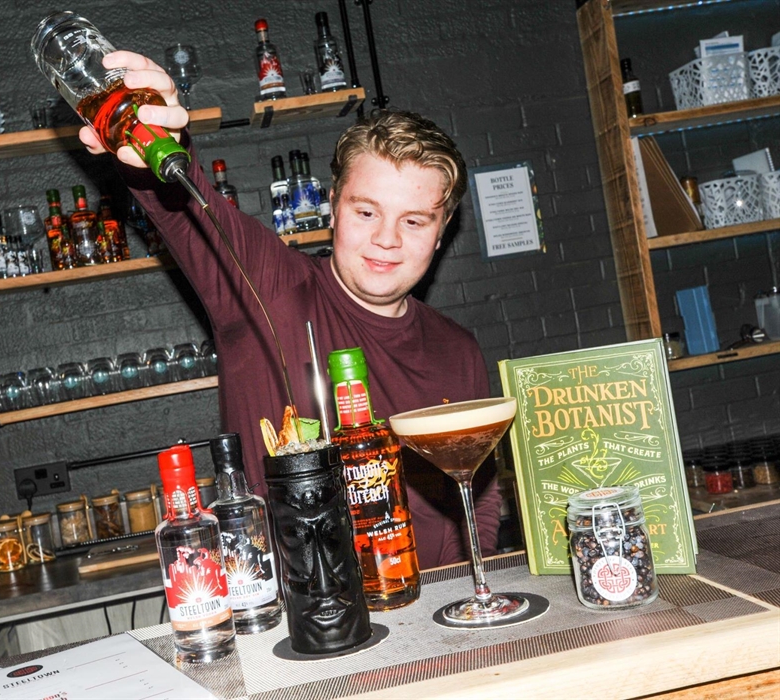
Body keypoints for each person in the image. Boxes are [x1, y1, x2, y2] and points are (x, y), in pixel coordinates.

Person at [80, 51, 501, 569]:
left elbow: (478, 497)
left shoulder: (457, 350)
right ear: (332, 206)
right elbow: (191, 209)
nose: (386, 239)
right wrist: (160, 142)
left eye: (414, 221)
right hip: (298, 623)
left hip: (435, 618)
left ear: (442, 232)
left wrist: (465, 590)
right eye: (366, 211)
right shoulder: (269, 290)